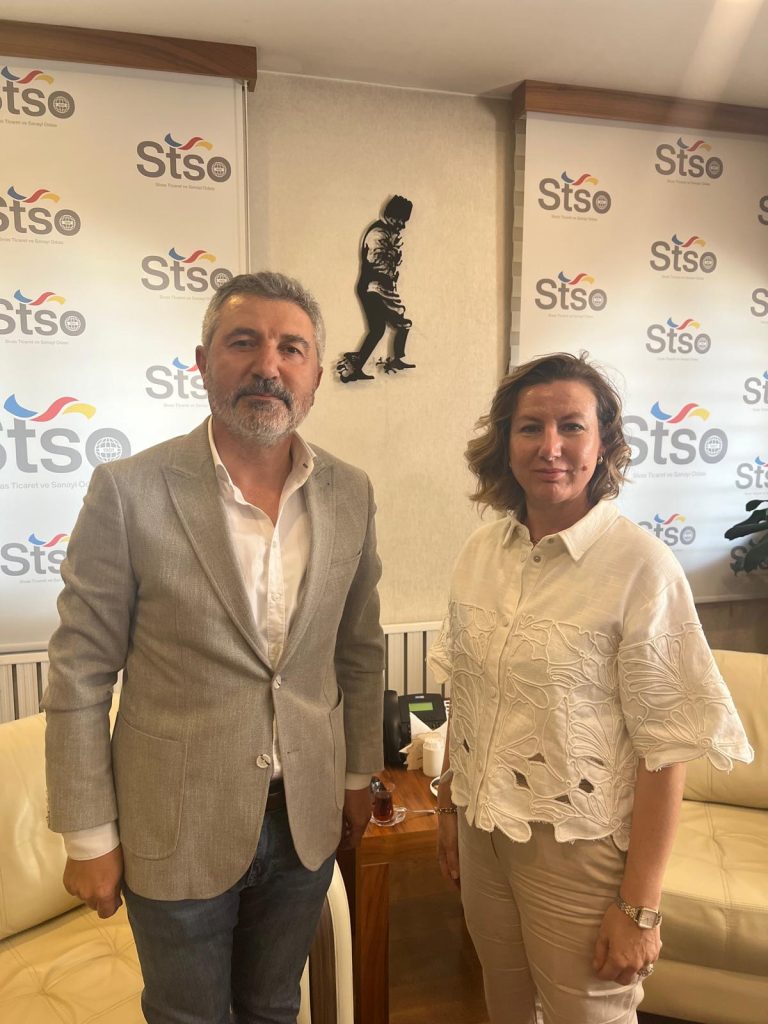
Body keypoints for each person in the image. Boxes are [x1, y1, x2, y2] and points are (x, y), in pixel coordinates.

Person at [43, 272, 385, 1024]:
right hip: (175, 822)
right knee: (186, 1016)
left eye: (291, 348)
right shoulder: (129, 490)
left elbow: (359, 648)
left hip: (305, 819)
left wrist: (358, 774)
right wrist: (88, 835)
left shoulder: (351, 492)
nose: (268, 365)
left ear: (315, 376)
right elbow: (79, 673)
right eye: (244, 343)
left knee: (273, 1008)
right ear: (202, 363)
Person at [429, 351, 753, 1024]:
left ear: (603, 443)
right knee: (506, 1006)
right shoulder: (479, 554)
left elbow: (666, 748)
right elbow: (470, 693)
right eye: (530, 427)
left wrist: (639, 907)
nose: (550, 447)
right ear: (505, 442)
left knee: (589, 1014)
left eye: (571, 427)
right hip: (484, 835)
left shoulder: (640, 567)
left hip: (578, 849)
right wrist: (448, 807)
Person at [338, 194, 414, 381]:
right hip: (374, 288)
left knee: (379, 329)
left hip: (375, 287)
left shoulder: (386, 232)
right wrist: (391, 280)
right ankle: (392, 360)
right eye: (401, 220)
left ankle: (358, 365)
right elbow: (377, 262)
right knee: (399, 324)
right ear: (391, 216)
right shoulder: (378, 234)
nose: (403, 226)